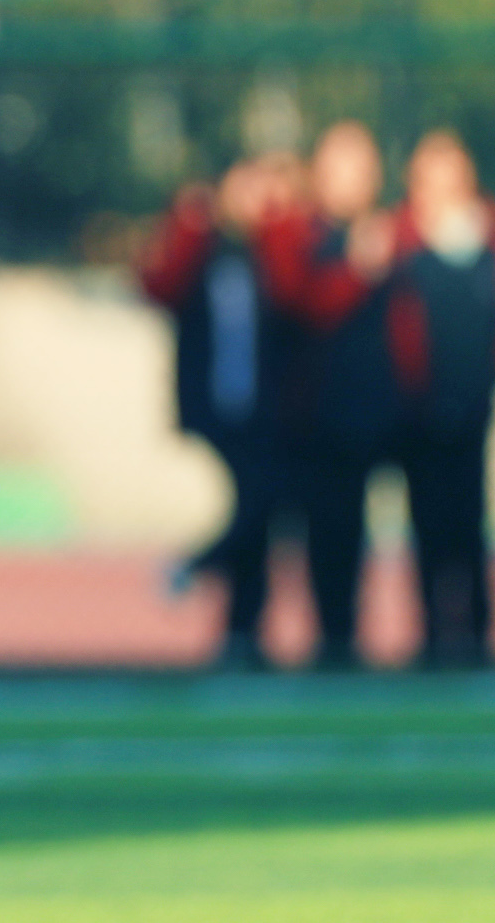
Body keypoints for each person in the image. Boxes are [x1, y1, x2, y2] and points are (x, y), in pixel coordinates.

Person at [138, 154, 295, 667]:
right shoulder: (203, 247)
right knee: (255, 507)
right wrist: (188, 223)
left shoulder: (270, 251)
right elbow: (156, 285)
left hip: (264, 409)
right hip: (215, 406)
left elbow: (296, 300)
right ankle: (213, 592)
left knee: (259, 514)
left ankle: (241, 632)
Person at [260, 122, 399, 668]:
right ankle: (328, 639)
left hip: (379, 414)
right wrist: (357, 271)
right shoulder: (301, 234)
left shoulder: (389, 233)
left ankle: (421, 643)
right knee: (320, 533)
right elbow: (301, 304)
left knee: (371, 534)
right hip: (315, 416)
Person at [391, 131, 495, 666]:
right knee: (428, 530)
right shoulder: (400, 243)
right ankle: (433, 636)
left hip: (472, 408)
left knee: (468, 527)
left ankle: (474, 635)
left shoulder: (484, 239)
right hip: (419, 413)